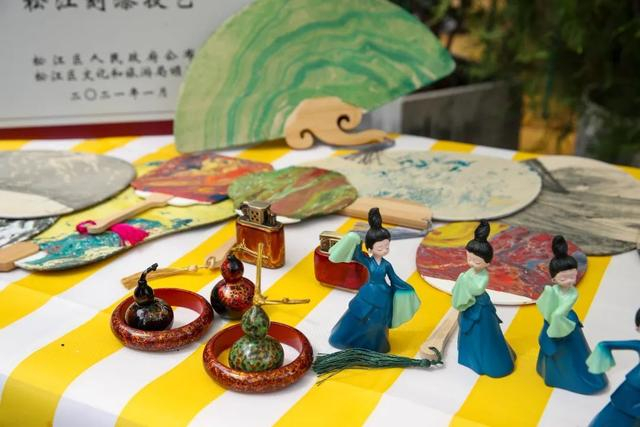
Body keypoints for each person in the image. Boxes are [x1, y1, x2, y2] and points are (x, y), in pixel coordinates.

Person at [328, 208, 421, 353]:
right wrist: (353, 239)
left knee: (378, 322)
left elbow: (394, 279)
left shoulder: (386, 265)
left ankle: (375, 345)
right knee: (357, 316)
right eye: (380, 248)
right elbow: (357, 254)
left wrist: (405, 289)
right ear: (371, 248)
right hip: (368, 293)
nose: (384, 250)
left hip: (383, 295)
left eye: (387, 247)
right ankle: (345, 339)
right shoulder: (367, 261)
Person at [536, 235, 607, 394]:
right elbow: (544, 306)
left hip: (565, 323)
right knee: (553, 352)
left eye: (572, 277)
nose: (569, 281)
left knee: (572, 353)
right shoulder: (552, 290)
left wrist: (554, 317)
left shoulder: (572, 293)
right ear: (554, 279)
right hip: (551, 321)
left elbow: (562, 310)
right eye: (563, 278)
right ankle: (552, 374)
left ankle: (575, 378)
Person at [452, 220, 515, 377]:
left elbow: (478, 289)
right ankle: (470, 358)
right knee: (468, 331)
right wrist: (463, 280)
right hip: (469, 306)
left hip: (480, 306)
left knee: (484, 334)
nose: (471, 263)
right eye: (469, 258)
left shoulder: (483, 275)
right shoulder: (468, 273)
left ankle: (487, 361)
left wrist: (464, 281)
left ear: (487, 263)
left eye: (477, 261)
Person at [586, 308, 640, 426]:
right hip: (633, 388)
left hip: (633, 386)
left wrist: (604, 346)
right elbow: (609, 344)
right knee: (620, 412)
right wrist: (603, 348)